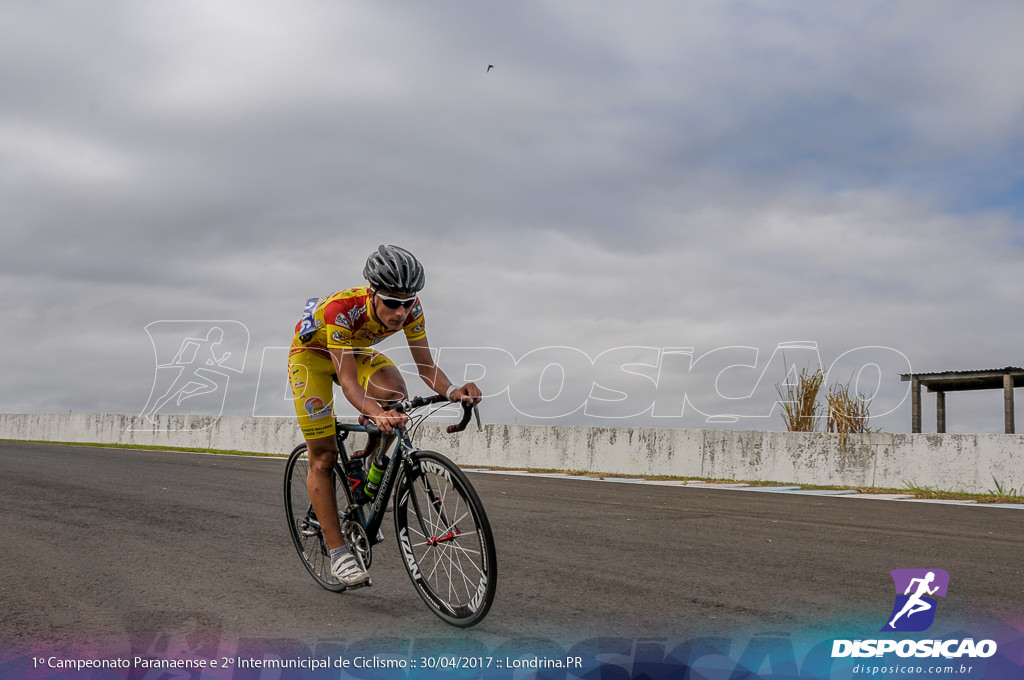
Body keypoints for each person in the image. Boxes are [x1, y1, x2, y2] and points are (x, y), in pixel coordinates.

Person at [287, 245, 482, 587]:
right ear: (372, 293)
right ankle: (338, 554)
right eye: (392, 303)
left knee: (396, 399)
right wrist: (374, 413)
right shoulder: (342, 311)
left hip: (357, 351)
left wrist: (453, 391)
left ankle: (373, 470)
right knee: (324, 455)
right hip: (312, 358)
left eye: (407, 302)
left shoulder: (411, 308)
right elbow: (348, 383)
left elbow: (426, 367)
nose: (400, 312)